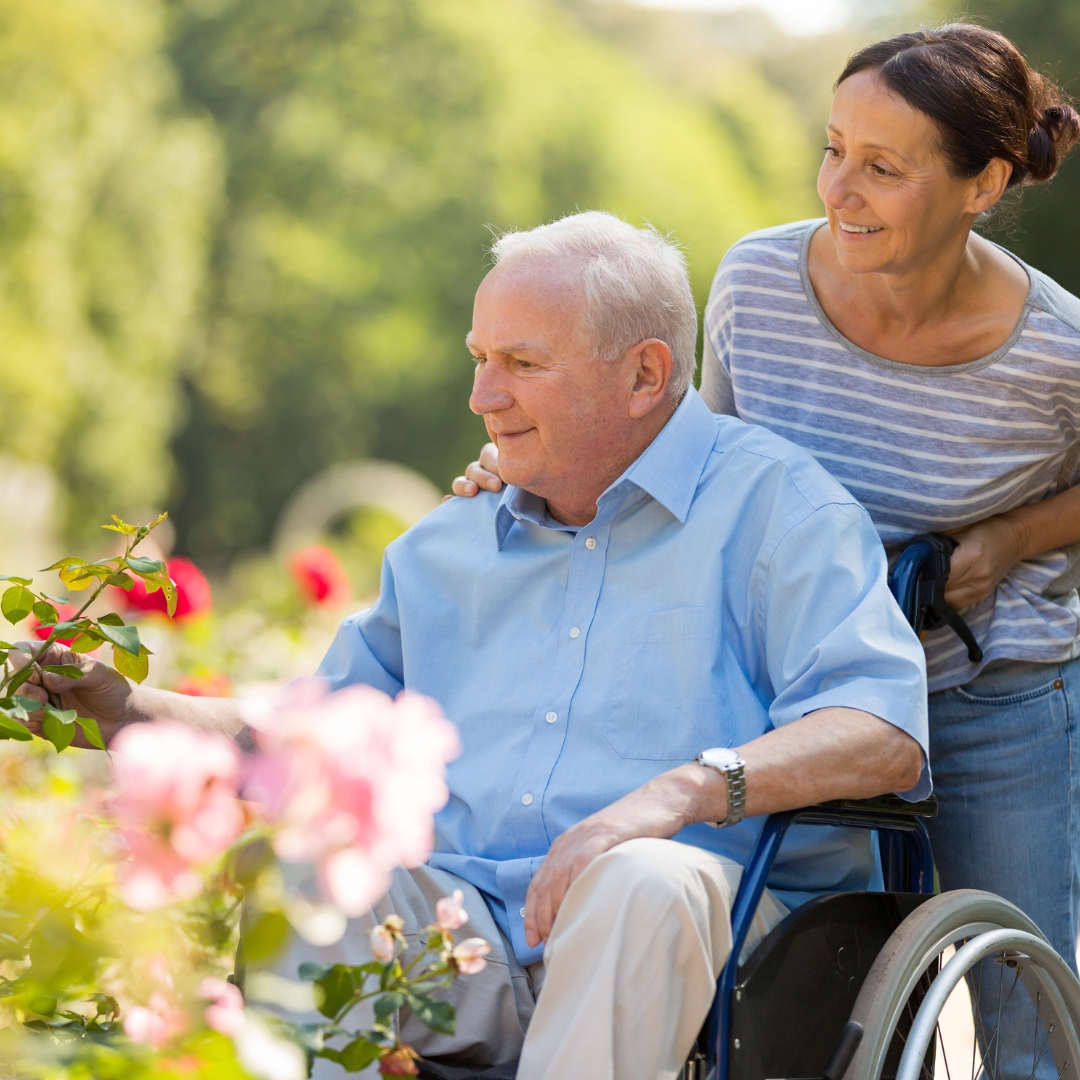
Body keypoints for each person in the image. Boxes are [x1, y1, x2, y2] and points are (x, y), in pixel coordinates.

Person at [24, 212, 929, 1078]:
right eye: (480, 359)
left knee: (638, 877)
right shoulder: (443, 547)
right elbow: (315, 732)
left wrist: (675, 793)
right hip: (468, 940)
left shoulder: (779, 511)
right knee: (297, 868)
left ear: (646, 375)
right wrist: (129, 706)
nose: (481, 396)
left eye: (521, 363)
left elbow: (881, 729)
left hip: (718, 958)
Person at [453, 23, 1080, 1076]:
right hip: (790, 679)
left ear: (986, 183)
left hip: (985, 680)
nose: (840, 188)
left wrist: (1012, 537)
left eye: (883, 168)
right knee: (802, 1005)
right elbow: (699, 464)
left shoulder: (1055, 351)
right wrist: (537, 458)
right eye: (834, 148)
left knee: (1017, 1015)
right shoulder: (759, 283)